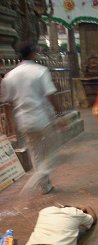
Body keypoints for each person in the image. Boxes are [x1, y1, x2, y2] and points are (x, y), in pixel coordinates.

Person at [0, 42, 57, 194]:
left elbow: (7, 100)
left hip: (24, 120)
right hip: (42, 118)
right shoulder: (40, 71)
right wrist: (57, 113)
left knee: (36, 152)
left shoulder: (10, 75)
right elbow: (50, 94)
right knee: (52, 151)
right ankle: (39, 176)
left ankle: (45, 186)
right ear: (32, 54)